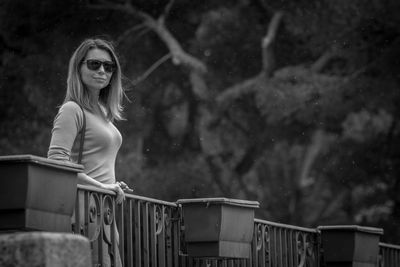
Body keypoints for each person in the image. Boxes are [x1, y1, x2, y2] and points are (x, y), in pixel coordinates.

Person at [48, 38, 132, 267]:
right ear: (79, 68)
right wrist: (103, 187)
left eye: (109, 66)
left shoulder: (103, 112)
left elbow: (98, 163)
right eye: (94, 64)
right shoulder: (72, 110)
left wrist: (111, 185)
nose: (102, 71)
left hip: (103, 212)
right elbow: (56, 163)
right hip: (82, 212)